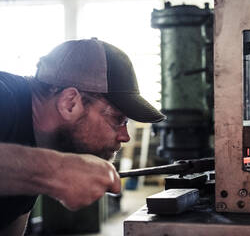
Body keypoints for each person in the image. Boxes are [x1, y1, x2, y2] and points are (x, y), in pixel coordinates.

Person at [0, 38, 165, 235]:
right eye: (118, 119)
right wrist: (55, 169)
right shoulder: (5, 97)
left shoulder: (43, 139)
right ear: (70, 103)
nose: (125, 136)